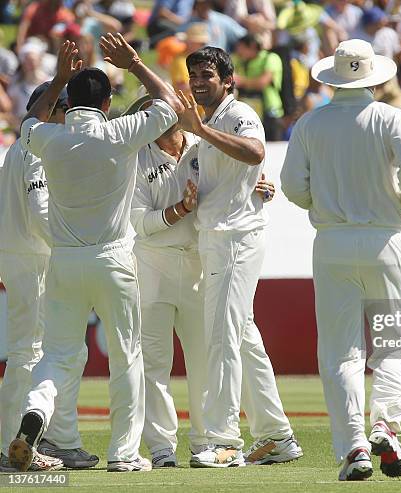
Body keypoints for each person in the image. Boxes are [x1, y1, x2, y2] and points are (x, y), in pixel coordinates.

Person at [7, 35, 183, 473]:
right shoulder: (119, 133)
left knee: (56, 356)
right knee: (126, 356)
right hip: (112, 259)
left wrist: (59, 79)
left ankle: (35, 414)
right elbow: (170, 106)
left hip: (64, 262)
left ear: (70, 103)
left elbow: (28, 122)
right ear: (107, 103)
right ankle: (124, 454)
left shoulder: (49, 139)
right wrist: (137, 64)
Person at [281, 39, 401, 481]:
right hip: (385, 238)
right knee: (390, 345)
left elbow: (292, 185)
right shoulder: (391, 117)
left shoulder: (310, 124)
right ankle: (386, 423)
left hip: (332, 242)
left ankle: (354, 448)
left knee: (340, 353)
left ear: (333, 77)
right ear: (373, 76)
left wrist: (318, 204)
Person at [128, 94, 276, 468]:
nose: (163, 120)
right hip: (154, 268)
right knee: (155, 364)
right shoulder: (135, 158)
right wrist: (180, 210)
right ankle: (162, 449)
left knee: (204, 361)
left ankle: (203, 442)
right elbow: (140, 222)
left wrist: (259, 190)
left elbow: (235, 184)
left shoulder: (201, 143)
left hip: (198, 265)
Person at [176, 46, 302, 467]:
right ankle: (277, 436)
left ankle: (225, 441)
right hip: (217, 238)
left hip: (236, 239)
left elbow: (254, 152)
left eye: (206, 74)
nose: (198, 80)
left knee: (223, 337)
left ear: (228, 81)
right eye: (193, 73)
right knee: (244, 339)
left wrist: (202, 131)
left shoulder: (239, 114)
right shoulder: (206, 122)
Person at [0, 82, 97, 473]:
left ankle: (39, 439)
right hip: (35, 257)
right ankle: (13, 446)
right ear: (54, 109)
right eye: (67, 109)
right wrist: (73, 243)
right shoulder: (39, 148)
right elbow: (42, 212)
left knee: (34, 352)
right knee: (31, 353)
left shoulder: (17, 148)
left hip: (20, 255)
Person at [232, 34, 284, 141]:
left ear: (252, 46)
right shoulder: (239, 60)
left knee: (272, 147)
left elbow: (262, 82)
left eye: (241, 48)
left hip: (269, 111)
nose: (238, 51)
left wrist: (241, 81)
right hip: (248, 111)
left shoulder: (271, 58)